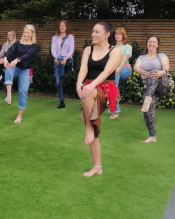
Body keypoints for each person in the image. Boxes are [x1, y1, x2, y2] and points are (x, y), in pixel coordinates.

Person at [76, 22, 121, 177]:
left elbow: (108, 71)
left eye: (97, 31)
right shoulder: (88, 49)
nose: (93, 34)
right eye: (92, 31)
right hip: (89, 89)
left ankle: (89, 127)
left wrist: (90, 87)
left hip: (106, 89)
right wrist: (79, 84)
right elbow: (83, 69)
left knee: (90, 123)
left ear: (107, 34)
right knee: (92, 119)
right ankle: (97, 167)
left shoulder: (115, 51)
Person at [133, 36, 170, 144]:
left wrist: (160, 72)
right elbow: (136, 67)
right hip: (150, 88)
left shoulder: (161, 56)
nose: (152, 44)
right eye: (150, 41)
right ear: (147, 44)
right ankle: (152, 136)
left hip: (163, 85)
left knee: (153, 74)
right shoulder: (141, 57)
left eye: (154, 42)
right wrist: (141, 71)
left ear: (158, 45)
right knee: (148, 112)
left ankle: (147, 97)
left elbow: (166, 68)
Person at [4, 25, 38, 123]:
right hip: (15, 68)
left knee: (23, 92)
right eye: (25, 32)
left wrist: (17, 59)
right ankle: (9, 94)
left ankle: (19, 116)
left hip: (26, 70)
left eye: (28, 32)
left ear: (32, 34)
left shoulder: (34, 46)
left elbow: (27, 55)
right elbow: (9, 51)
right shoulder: (17, 43)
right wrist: (6, 58)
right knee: (9, 68)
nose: (26, 34)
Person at [110, 27, 133, 119]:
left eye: (120, 34)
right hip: (114, 70)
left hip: (125, 69)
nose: (118, 36)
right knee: (112, 86)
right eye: (116, 34)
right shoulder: (111, 47)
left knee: (114, 84)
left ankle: (116, 111)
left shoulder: (127, 47)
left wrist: (119, 68)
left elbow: (125, 58)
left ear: (123, 35)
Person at [51, 20, 75, 109]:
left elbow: (71, 49)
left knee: (62, 58)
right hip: (58, 61)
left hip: (67, 61)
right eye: (60, 26)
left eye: (63, 26)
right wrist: (56, 57)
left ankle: (61, 73)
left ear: (66, 27)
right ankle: (62, 102)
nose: (61, 27)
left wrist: (66, 57)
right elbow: (53, 50)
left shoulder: (70, 37)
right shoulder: (55, 37)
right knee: (58, 83)